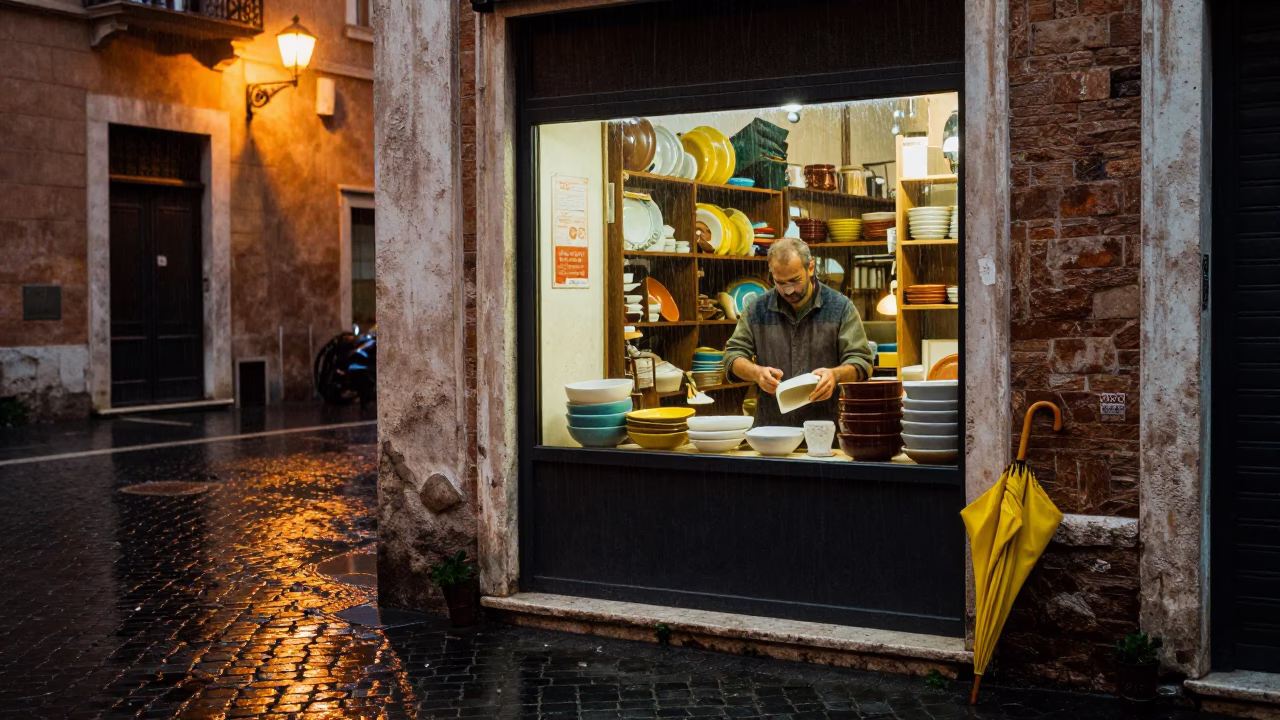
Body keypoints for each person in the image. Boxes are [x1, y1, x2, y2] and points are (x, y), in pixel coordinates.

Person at [723, 237, 874, 428]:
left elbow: (862, 362)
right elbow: (732, 356)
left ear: (811, 267)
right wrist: (756, 373)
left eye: (795, 281)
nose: (788, 291)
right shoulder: (757, 309)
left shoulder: (840, 307)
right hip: (772, 430)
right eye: (780, 282)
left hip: (825, 430)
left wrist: (835, 375)